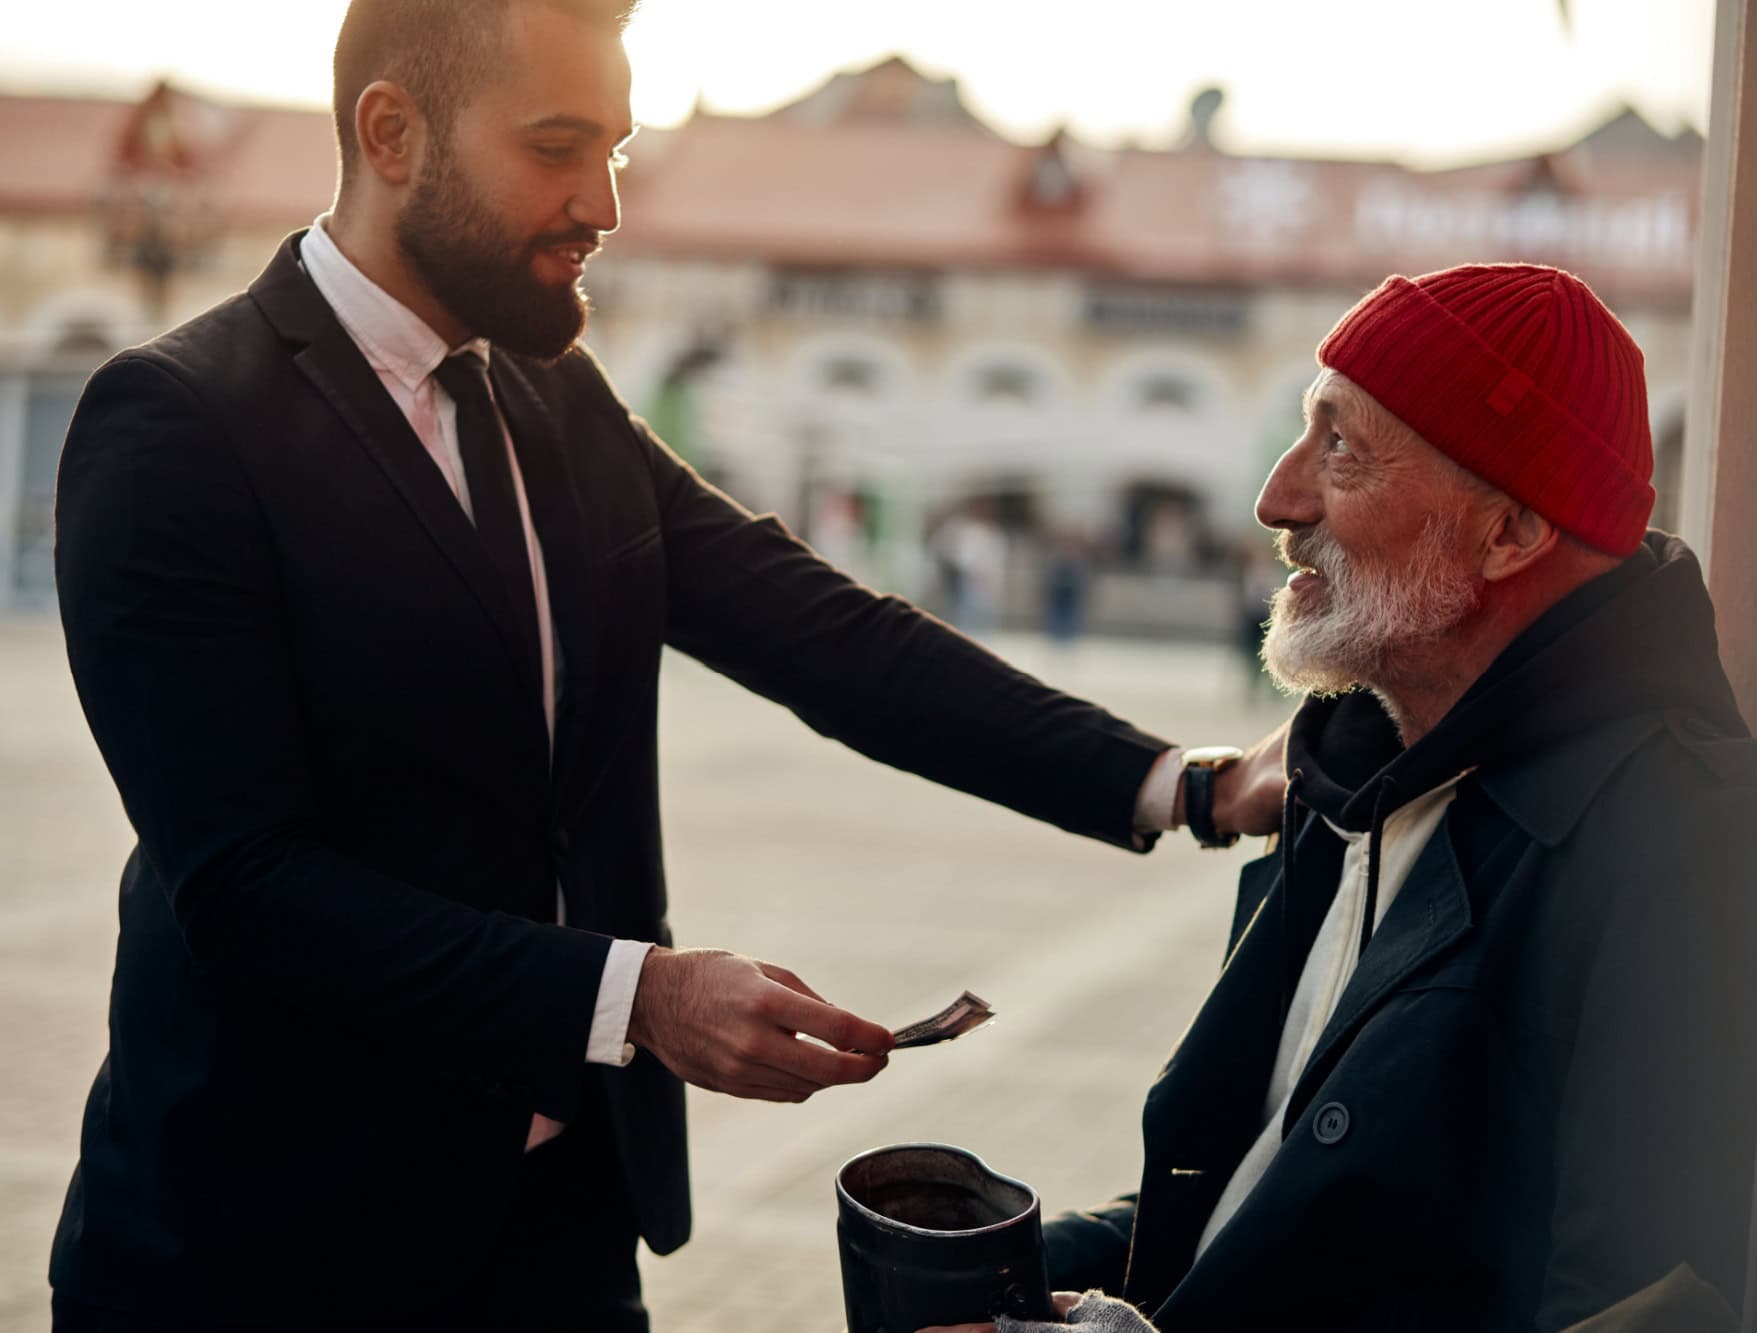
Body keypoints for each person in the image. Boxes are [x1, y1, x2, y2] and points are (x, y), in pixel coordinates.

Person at [46, 2, 1284, 1328]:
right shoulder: (177, 421)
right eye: (558, 147)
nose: (605, 204)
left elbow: (824, 633)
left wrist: (1187, 784)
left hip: (562, 1228)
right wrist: (636, 997)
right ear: (392, 133)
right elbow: (246, 888)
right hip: (266, 1247)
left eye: (618, 152)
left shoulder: (550, 398)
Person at [925, 264, 1757, 1333]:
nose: (1276, 499)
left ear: (1508, 532)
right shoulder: (1352, 775)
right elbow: (1259, 1203)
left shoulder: (1688, 839)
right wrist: (1005, 1279)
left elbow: (1626, 1312)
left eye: (1338, 446)